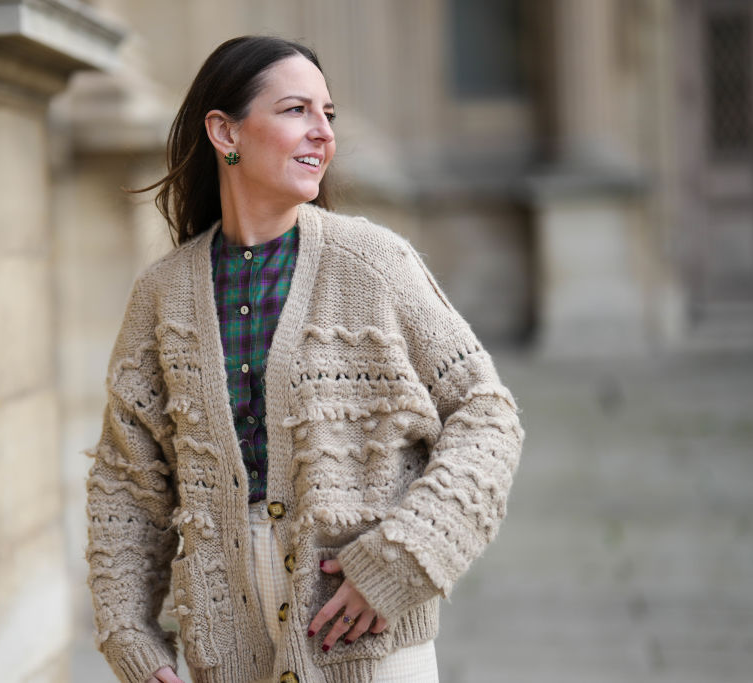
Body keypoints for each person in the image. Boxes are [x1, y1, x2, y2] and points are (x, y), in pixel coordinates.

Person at [85, 35, 523, 683]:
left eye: (330, 115)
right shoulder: (162, 294)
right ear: (224, 130)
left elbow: (488, 417)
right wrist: (131, 635)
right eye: (296, 111)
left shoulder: (376, 264)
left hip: (371, 648)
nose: (323, 132)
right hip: (224, 653)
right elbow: (126, 482)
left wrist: (403, 560)